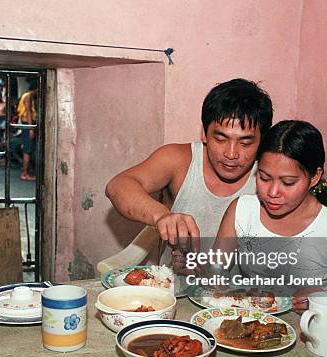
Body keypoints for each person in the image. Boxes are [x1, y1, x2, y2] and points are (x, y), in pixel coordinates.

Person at [106, 78, 274, 269]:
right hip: (174, 290)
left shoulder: (272, 177)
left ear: (262, 141)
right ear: (204, 133)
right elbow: (118, 186)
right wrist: (161, 216)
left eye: (245, 143)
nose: (231, 153)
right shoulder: (178, 160)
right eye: (220, 139)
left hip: (241, 293)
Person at [209, 120, 327, 325]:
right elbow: (213, 275)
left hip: (310, 336)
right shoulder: (242, 210)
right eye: (264, 178)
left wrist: (321, 302)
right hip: (250, 330)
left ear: (315, 177)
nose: (272, 193)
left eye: (288, 182)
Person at [17, 87, 38, 180]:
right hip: (27, 125)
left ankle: (25, 172)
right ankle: (25, 173)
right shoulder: (28, 97)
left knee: (27, 149)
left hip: (26, 124)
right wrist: (31, 128)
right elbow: (28, 112)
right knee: (27, 150)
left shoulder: (25, 95)